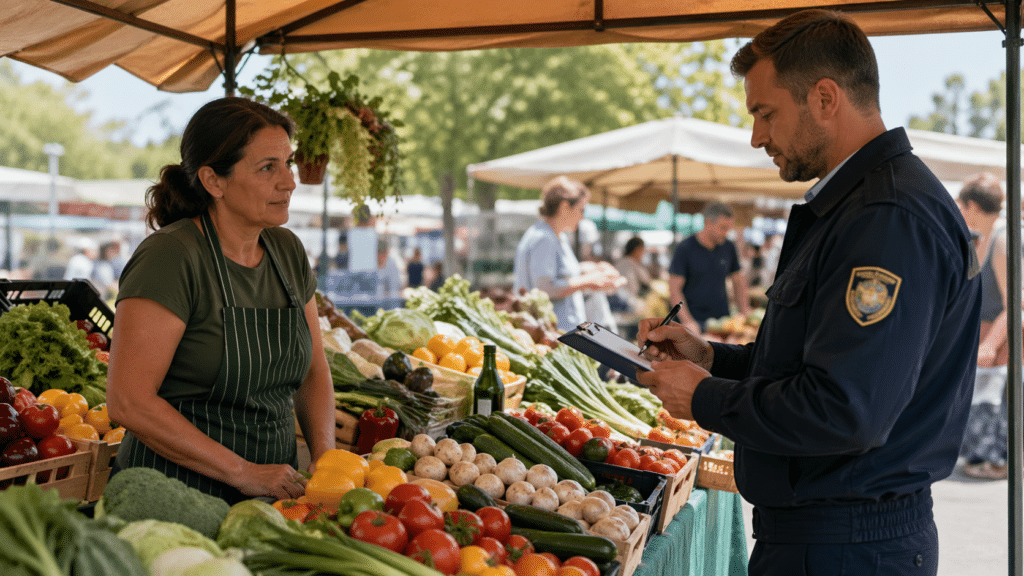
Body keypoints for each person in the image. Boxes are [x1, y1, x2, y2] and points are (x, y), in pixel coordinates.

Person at [635, 10, 980, 576]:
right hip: (832, 538)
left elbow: (844, 409)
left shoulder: (886, 218)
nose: (757, 137)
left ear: (824, 98)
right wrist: (712, 358)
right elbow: (811, 366)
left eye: (765, 113)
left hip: (846, 546)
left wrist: (705, 398)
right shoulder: (860, 207)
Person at [105, 97, 336, 504]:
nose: (289, 182)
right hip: (173, 495)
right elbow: (129, 401)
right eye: (268, 168)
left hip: (273, 498)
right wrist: (242, 471)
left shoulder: (287, 251)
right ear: (214, 181)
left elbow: (314, 373)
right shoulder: (171, 256)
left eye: (288, 163)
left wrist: (326, 459)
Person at [512, 176, 622, 332]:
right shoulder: (544, 238)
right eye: (581, 209)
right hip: (551, 334)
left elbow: (561, 272)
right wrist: (588, 280)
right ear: (564, 206)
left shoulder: (557, 236)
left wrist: (592, 269)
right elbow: (544, 289)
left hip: (561, 331)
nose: (582, 216)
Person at [956, 174, 1009, 480]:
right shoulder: (981, 239)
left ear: (972, 206)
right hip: (982, 346)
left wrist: (990, 345)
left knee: (995, 410)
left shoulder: (1002, 241)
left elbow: (1015, 303)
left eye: (962, 206)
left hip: (1000, 350)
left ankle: (999, 462)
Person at [667, 201, 750, 333]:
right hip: (693, 323)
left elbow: (738, 282)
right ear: (707, 222)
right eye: (723, 228)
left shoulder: (729, 247)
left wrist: (745, 311)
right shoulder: (685, 248)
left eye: (729, 229)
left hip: (722, 322)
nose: (726, 233)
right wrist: (687, 321)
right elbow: (674, 289)